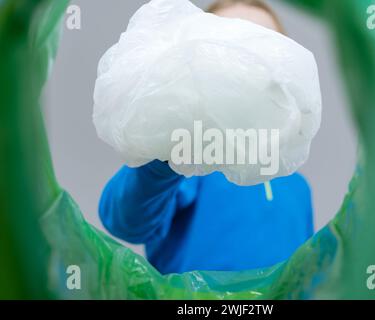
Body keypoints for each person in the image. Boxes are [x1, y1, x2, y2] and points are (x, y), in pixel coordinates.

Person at [99, 0, 313, 274]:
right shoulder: (190, 161)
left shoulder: (298, 186)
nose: (247, 61)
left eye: (263, 47)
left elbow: (305, 276)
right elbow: (125, 220)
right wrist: (166, 155)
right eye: (229, 43)